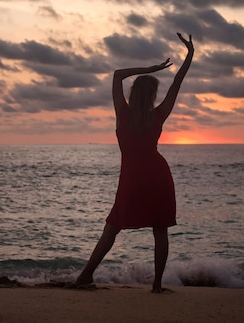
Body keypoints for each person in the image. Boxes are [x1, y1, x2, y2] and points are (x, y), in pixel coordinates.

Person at [76, 32, 194, 293]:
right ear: (152, 95)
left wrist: (149, 68)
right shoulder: (158, 115)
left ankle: (85, 274)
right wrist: (189, 56)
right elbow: (178, 82)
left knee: (112, 228)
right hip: (158, 176)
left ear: (133, 93)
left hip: (131, 178)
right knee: (160, 230)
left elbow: (118, 74)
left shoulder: (123, 114)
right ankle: (157, 285)